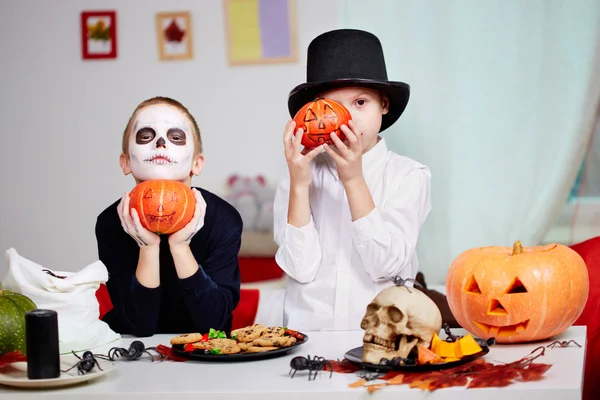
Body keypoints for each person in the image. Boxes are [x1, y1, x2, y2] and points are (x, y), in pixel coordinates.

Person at [274, 29, 432, 331]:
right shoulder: (298, 175)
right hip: (309, 340)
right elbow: (299, 268)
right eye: (329, 107)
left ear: (384, 105)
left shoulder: (410, 175)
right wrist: (298, 184)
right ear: (311, 113)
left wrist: (353, 178)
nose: (344, 119)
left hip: (385, 341)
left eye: (360, 103)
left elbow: (386, 265)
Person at [96, 96, 242, 337]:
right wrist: (148, 248)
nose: (161, 143)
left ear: (197, 163)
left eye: (175, 137)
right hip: (135, 355)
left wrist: (181, 247)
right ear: (125, 162)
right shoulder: (111, 223)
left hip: (205, 357)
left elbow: (214, 323)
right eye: (145, 136)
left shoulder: (223, 219)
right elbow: (138, 325)